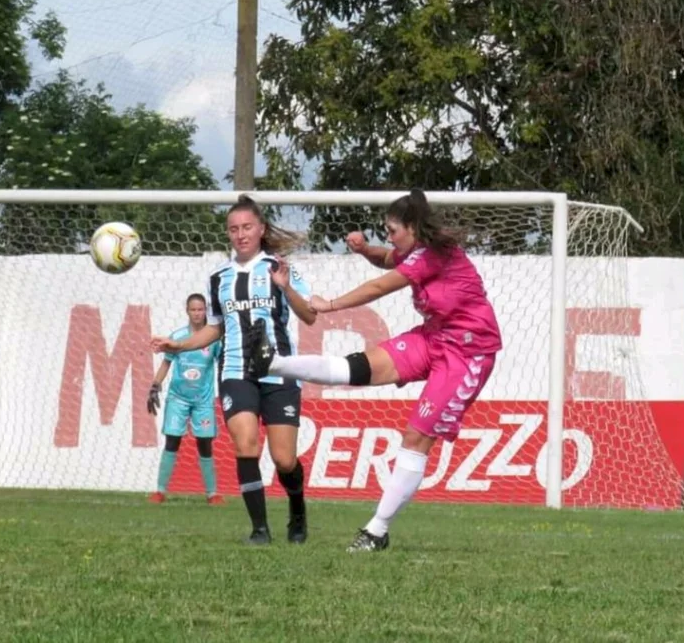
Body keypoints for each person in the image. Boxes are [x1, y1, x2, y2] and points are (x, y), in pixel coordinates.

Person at [248, 188, 503, 552]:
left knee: (416, 437)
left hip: (468, 352)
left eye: (392, 229)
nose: (389, 237)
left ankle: (377, 531)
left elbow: (381, 285)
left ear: (413, 227)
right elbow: (388, 259)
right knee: (358, 366)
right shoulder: (415, 250)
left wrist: (330, 304)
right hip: (435, 338)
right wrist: (367, 250)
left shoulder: (434, 254)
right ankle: (269, 363)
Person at [152, 195, 317, 545]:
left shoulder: (279, 268)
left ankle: (297, 511)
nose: (240, 234)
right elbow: (216, 328)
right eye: (233, 229)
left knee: (285, 459)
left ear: (260, 229)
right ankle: (259, 529)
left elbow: (309, 315)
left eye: (246, 227)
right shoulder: (219, 277)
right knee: (245, 445)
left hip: (280, 372)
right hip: (235, 371)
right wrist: (179, 345)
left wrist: (286, 288)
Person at [147, 293, 225, 506]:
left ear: (206, 311)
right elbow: (167, 363)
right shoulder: (178, 336)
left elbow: (223, 365)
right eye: (194, 309)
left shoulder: (214, 339)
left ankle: (212, 494)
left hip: (203, 400)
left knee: (205, 444)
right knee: (172, 441)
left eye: (201, 309)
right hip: (178, 398)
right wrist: (155, 386)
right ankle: (160, 491)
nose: (198, 313)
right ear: (187, 311)